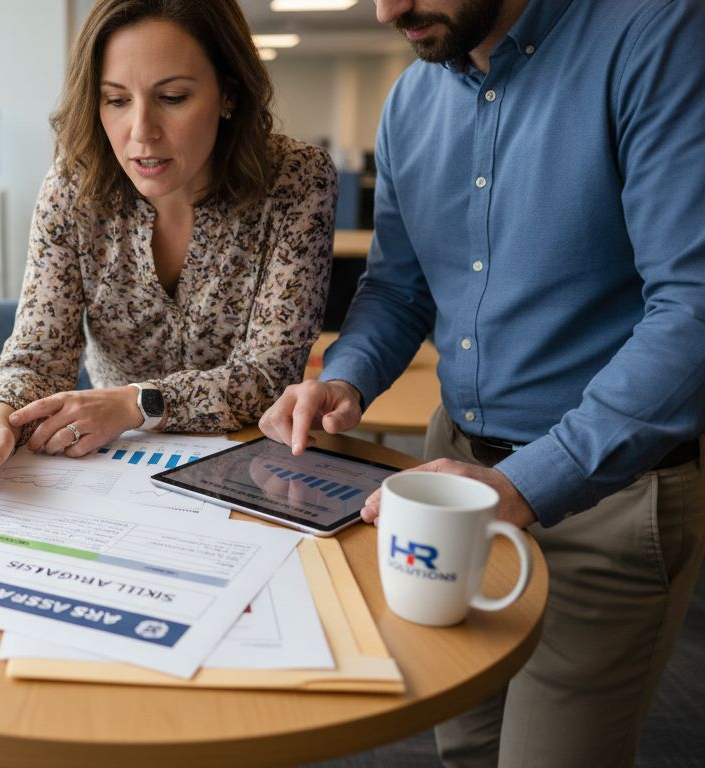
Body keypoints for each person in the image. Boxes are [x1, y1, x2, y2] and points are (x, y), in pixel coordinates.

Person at [259, 0, 705, 764]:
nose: (386, 9)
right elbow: (399, 289)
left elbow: (693, 307)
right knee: (464, 745)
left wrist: (532, 482)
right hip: (450, 474)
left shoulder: (656, 36)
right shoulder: (412, 97)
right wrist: (347, 378)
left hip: (608, 494)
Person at [0, 0, 337, 490]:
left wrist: (134, 403)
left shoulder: (296, 180)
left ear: (227, 94)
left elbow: (267, 376)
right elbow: (39, 352)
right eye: (117, 100)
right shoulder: (72, 189)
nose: (141, 131)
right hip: (117, 466)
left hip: (250, 463)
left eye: (172, 97)